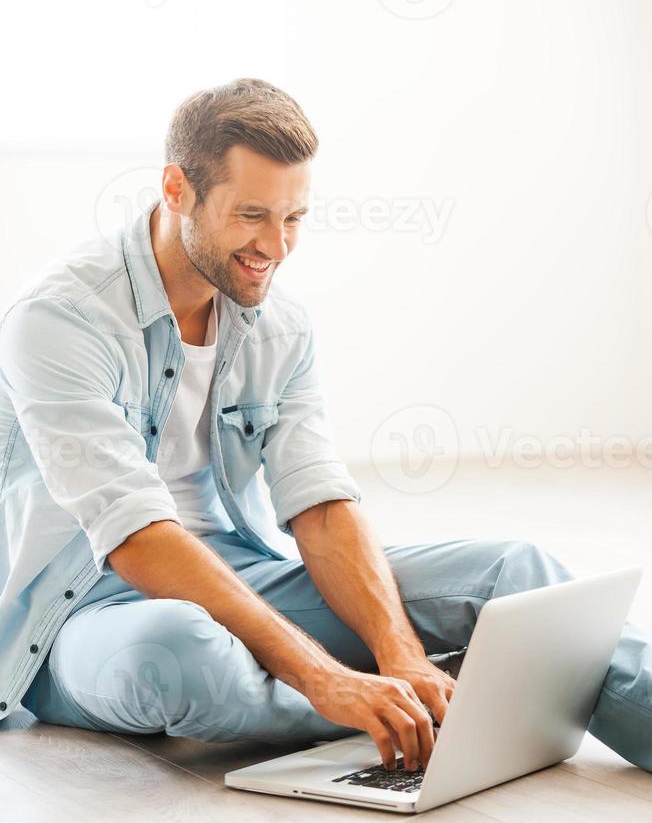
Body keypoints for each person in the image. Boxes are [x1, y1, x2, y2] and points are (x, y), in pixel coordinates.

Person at [1, 79, 649, 774]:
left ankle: (403, 685)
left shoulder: (280, 326)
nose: (275, 247)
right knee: (181, 651)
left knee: (515, 571)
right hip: (89, 615)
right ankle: (416, 710)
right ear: (176, 189)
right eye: (252, 215)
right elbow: (135, 534)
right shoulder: (62, 317)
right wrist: (320, 674)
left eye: (295, 219)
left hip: (243, 576)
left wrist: (396, 646)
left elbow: (318, 501)